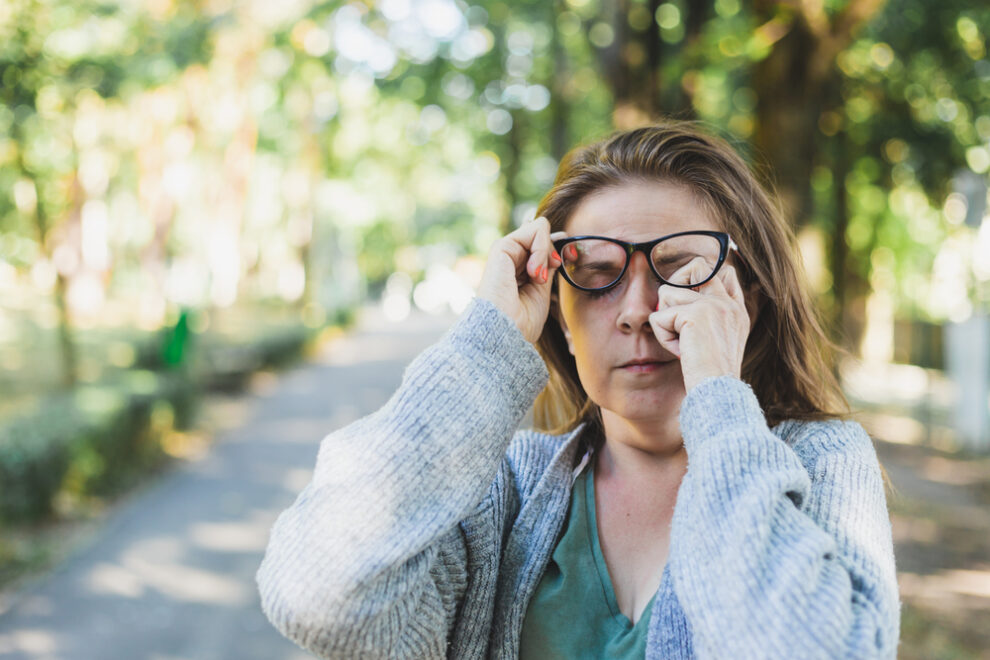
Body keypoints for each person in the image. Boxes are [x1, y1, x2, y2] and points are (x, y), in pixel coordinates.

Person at [256, 121, 901, 659]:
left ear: (745, 306)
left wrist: (719, 403)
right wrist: (485, 348)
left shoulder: (824, 464)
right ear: (560, 316)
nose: (639, 309)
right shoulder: (504, 492)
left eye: (680, 269)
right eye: (596, 274)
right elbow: (317, 592)